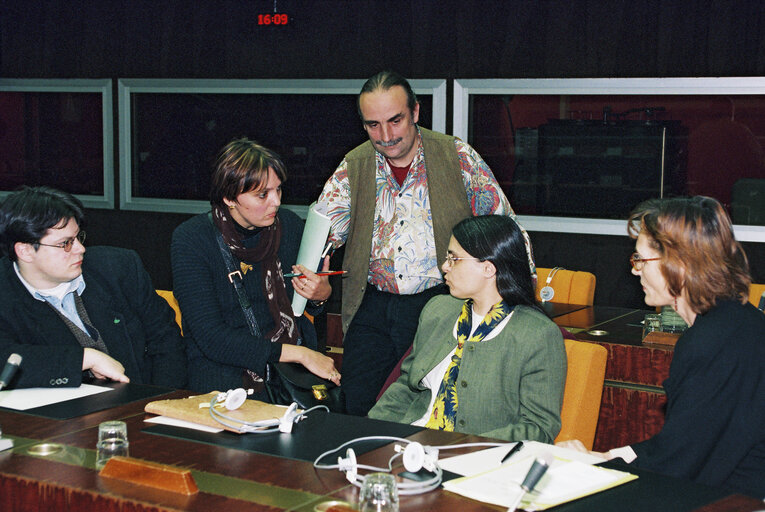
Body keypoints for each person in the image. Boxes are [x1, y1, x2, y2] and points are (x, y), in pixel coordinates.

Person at [317, 70, 531, 415]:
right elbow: (322, 233)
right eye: (373, 125)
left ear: (416, 112)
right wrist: (309, 274)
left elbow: (505, 227)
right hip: (371, 303)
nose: (385, 136)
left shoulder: (457, 157)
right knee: (356, 404)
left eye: (395, 120)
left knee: (426, 407)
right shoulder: (353, 166)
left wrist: (518, 301)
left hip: (441, 303)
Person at [559, 196, 765, 498]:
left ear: (678, 265)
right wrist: (610, 456)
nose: (635, 270)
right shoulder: (738, 320)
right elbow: (689, 441)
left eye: (641, 259)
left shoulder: (711, 343)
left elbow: (680, 467)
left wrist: (592, 469)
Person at [368, 215, 566, 442]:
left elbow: (539, 428)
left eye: (454, 259)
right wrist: (369, 431)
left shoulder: (536, 334)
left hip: (479, 458)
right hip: (410, 442)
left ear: (488, 269)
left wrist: (465, 447)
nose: (444, 267)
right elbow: (406, 386)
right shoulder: (438, 310)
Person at [172, 138, 340, 395]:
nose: (276, 202)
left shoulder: (289, 226)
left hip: (291, 377)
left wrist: (320, 295)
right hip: (225, 380)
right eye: (262, 194)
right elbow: (210, 337)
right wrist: (298, 354)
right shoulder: (193, 239)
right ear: (229, 197)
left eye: (278, 190)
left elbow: (307, 306)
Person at [0, 186, 187, 389]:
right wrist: (83, 358)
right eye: (65, 243)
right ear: (25, 251)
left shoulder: (118, 268)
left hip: (144, 401)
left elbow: (167, 342)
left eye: (78, 237)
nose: (81, 249)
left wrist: (160, 401)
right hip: (61, 414)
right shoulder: (6, 293)